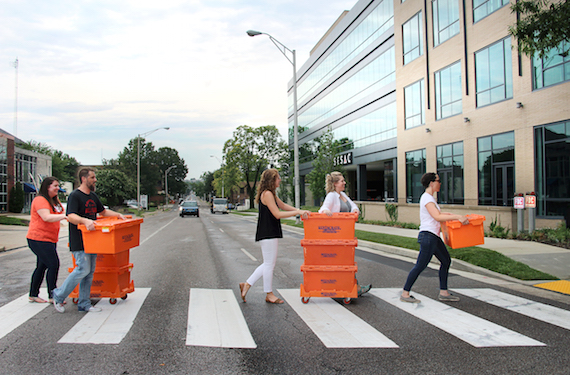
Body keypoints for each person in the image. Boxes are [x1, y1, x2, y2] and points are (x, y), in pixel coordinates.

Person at [52, 168, 125, 313]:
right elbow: (71, 216)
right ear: (84, 179)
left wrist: (117, 215)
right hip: (79, 240)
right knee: (82, 269)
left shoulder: (92, 196)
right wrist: (85, 221)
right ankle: (59, 295)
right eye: (92, 177)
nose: (95, 180)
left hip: (93, 241)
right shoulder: (75, 196)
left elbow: (102, 211)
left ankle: (84, 303)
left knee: (89, 272)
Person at [239, 169, 310, 304]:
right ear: (272, 180)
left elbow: (282, 205)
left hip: (269, 232)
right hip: (268, 232)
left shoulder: (270, 193)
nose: (280, 180)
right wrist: (298, 212)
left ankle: (247, 285)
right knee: (269, 264)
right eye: (278, 178)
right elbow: (277, 214)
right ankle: (269, 294)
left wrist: (298, 210)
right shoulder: (267, 194)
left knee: (268, 264)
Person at [400, 172, 469, 304]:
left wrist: (458, 216)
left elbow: (440, 214)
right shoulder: (427, 198)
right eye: (438, 180)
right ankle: (405, 293)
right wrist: (457, 217)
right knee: (420, 265)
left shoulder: (430, 198)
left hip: (433, 237)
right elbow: (437, 217)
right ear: (432, 183)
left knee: (446, 260)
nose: (440, 183)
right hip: (428, 236)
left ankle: (444, 292)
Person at [318, 171, 371, 297]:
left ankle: (351, 286)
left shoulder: (343, 195)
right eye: (342, 181)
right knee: (343, 261)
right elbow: (323, 209)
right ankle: (350, 286)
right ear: (335, 183)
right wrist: (326, 211)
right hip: (335, 235)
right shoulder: (331, 196)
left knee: (347, 261)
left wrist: (355, 211)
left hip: (345, 234)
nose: (344, 183)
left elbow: (353, 206)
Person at [26, 177, 67, 304]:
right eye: (55, 185)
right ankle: (53, 295)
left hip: (50, 239)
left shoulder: (55, 201)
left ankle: (33, 294)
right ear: (47, 187)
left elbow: (61, 213)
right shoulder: (40, 200)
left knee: (42, 266)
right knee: (53, 264)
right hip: (38, 239)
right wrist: (65, 216)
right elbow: (46, 217)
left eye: (58, 185)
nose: (57, 188)